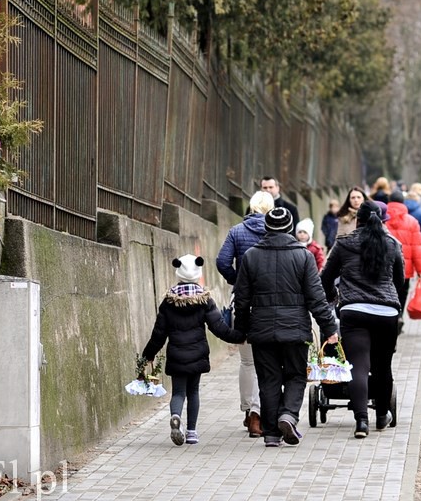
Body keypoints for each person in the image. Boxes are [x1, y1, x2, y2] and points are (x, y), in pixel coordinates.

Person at [233, 208, 338, 447]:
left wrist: (240, 330)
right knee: (295, 375)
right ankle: (288, 415)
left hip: (261, 329)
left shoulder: (251, 256)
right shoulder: (304, 257)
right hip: (295, 329)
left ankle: (271, 433)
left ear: (267, 228)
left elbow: (242, 298)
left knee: (268, 379)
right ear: (290, 228)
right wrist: (329, 328)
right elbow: (316, 297)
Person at [320, 201, 405, 439]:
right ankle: (381, 415)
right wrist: (391, 300)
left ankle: (361, 422)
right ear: (381, 221)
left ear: (358, 220)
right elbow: (400, 280)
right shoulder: (392, 245)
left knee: (359, 366)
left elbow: (325, 277)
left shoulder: (344, 244)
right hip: (387, 313)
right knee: (382, 366)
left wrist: (333, 298)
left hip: (354, 311)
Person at [142, 255, 245, 446]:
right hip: (197, 354)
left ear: (178, 272)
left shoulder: (168, 302)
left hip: (176, 354)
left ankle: (175, 416)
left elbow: (159, 333)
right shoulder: (204, 300)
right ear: (198, 272)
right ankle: (191, 432)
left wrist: (148, 355)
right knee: (194, 392)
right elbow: (218, 327)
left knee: (178, 393)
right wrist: (239, 337)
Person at [215, 191, 275, 438]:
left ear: (251, 207)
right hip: (271, 302)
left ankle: (248, 410)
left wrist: (238, 282)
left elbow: (222, 262)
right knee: (269, 362)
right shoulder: (277, 231)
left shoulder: (237, 231)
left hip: (244, 303)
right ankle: (258, 415)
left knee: (247, 361)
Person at [386, 191, 421, 323]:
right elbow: (417, 248)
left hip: (385, 266)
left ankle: (388, 317)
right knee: (402, 293)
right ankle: (399, 315)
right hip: (405, 268)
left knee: (386, 292)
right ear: (403, 203)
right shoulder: (412, 222)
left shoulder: (382, 220)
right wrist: (420, 270)